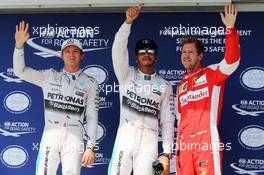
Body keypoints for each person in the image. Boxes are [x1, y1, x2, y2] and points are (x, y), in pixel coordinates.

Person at [13, 21, 99, 175]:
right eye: (67, 51)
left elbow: (92, 117)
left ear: (82, 55)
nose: (71, 54)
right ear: (61, 55)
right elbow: (20, 71)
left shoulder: (91, 83)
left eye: (75, 51)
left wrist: (91, 146)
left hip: (75, 136)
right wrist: (19, 47)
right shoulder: (49, 76)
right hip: (50, 134)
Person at [108, 5, 175, 175]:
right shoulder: (126, 74)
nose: (146, 54)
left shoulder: (164, 85)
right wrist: (127, 23)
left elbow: (167, 121)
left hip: (149, 141)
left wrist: (167, 152)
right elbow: (117, 50)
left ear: (156, 57)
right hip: (124, 137)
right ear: (136, 57)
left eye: (150, 51)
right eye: (142, 52)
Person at [175, 4, 240, 175]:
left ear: (200, 55)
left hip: (206, 141)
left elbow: (232, 62)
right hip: (184, 145)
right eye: (183, 52)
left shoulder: (211, 73)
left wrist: (230, 29)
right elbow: (179, 118)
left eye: (190, 52)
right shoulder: (180, 84)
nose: (186, 55)